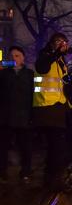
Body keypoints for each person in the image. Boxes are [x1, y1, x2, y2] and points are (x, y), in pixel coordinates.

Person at [33, 32, 70, 190]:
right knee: (55, 146)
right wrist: (55, 53)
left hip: (59, 108)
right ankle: (53, 181)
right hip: (46, 107)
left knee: (57, 146)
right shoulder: (44, 56)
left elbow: (61, 84)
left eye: (64, 42)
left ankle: (51, 179)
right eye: (58, 42)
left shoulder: (61, 61)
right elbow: (41, 68)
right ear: (51, 43)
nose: (62, 45)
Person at [0, 46, 34, 182]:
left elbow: (33, 95)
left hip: (24, 117)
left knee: (25, 146)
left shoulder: (30, 74)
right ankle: (2, 172)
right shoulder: (3, 74)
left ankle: (26, 170)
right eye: (12, 56)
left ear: (23, 57)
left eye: (17, 55)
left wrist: (32, 115)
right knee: (2, 146)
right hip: (5, 117)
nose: (14, 58)